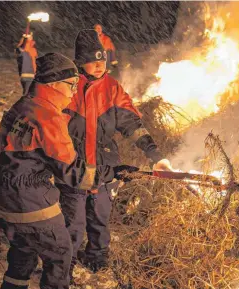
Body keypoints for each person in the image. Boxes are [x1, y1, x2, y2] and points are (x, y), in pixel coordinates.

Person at [57, 29, 171, 274]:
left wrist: (156, 156)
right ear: (79, 61)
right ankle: (65, 264)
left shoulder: (112, 88)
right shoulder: (66, 88)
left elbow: (132, 124)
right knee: (72, 221)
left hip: (104, 166)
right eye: (92, 60)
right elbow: (50, 129)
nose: (99, 65)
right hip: (73, 167)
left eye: (102, 60)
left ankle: (97, 257)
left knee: (100, 215)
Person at [0, 52, 94, 289]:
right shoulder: (48, 116)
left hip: (2, 202)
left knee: (23, 251)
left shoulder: (24, 105)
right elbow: (75, 175)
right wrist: (111, 174)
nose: (74, 91)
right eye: (71, 85)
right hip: (28, 206)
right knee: (60, 254)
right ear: (54, 84)